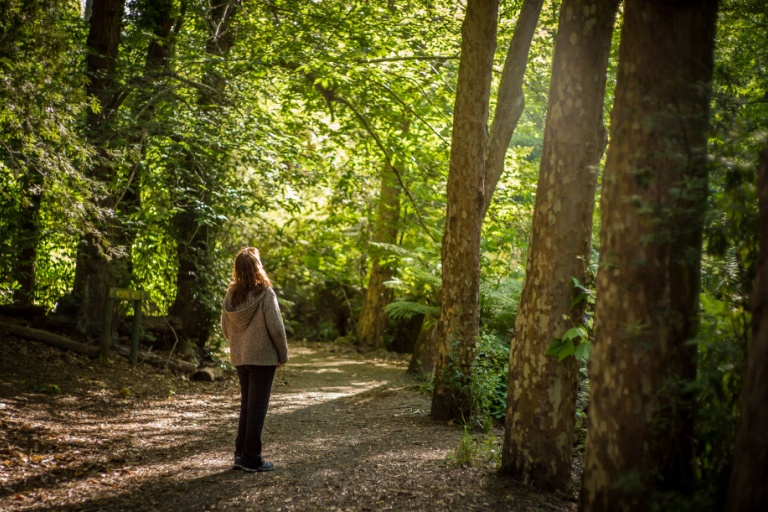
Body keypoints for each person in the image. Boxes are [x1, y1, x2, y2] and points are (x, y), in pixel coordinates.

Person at [221, 247, 288, 472]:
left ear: (237, 269)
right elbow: (277, 328)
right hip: (262, 357)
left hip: (241, 357)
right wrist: (282, 353)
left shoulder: (231, 295)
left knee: (247, 407)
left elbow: (225, 328)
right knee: (257, 407)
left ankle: (240, 455)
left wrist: (240, 344)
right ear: (257, 267)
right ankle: (252, 458)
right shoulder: (266, 293)